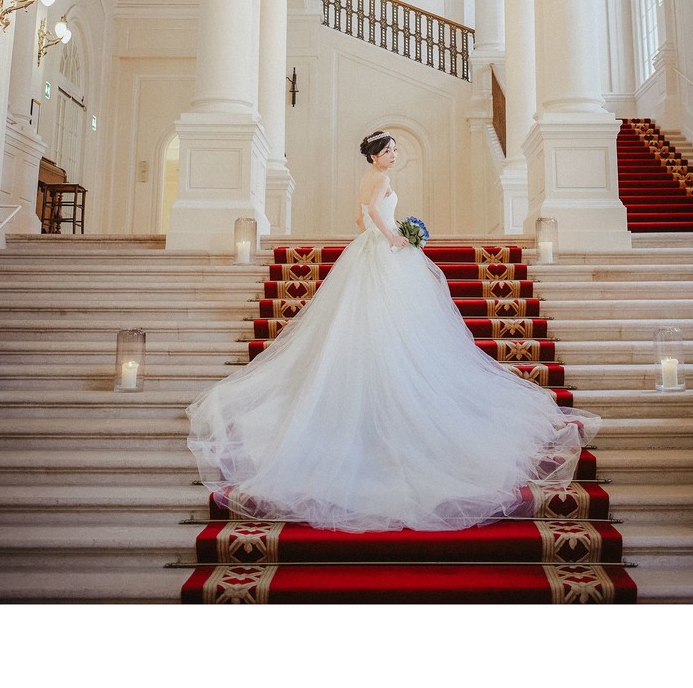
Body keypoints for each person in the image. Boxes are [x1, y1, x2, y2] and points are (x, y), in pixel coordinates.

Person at [186, 129, 599, 532]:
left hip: (367, 250)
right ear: (376, 155)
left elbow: (358, 216)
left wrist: (384, 231)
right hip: (382, 251)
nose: (394, 154)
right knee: (394, 323)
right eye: (389, 149)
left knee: (373, 322)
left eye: (397, 149)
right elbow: (376, 216)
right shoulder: (379, 179)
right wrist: (395, 237)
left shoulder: (368, 179)